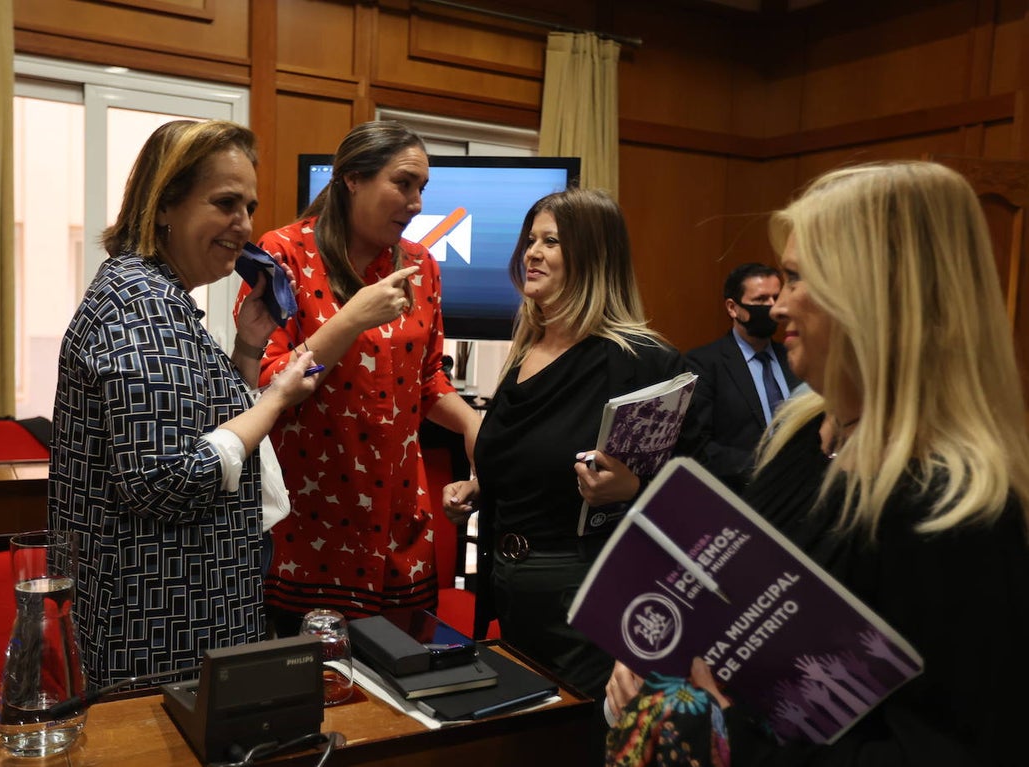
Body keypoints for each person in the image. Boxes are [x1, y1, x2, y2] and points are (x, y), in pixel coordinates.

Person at [604, 161, 1029, 767]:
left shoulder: (956, 509)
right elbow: (740, 604)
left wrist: (725, 736)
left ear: (879, 298)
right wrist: (658, 654)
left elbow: (950, 748)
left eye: (799, 279)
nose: (778, 306)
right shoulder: (803, 436)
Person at [49, 119, 320, 688]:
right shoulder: (140, 305)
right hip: (158, 628)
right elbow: (165, 479)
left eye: (249, 206)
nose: (244, 224)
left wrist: (248, 348)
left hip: (174, 612)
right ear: (165, 204)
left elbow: (206, 427)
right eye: (225, 203)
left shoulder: (158, 297)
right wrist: (277, 398)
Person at [442, 188, 708, 763]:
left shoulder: (643, 361)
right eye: (530, 240)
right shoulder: (526, 348)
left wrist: (633, 489)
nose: (531, 253)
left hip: (588, 602)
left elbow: (694, 500)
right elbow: (532, 454)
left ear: (592, 256)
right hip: (509, 594)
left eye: (551, 242)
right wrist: (482, 485)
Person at [239, 120, 482, 636]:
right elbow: (268, 382)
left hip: (399, 518)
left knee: (401, 673)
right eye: (403, 183)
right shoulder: (284, 253)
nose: (416, 203)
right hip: (311, 525)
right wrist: (351, 320)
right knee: (312, 677)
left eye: (422, 188)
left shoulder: (421, 264)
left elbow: (427, 380)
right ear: (352, 178)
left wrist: (471, 423)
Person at [686, 263, 801, 493]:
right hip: (742, 492)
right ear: (733, 308)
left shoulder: (795, 357)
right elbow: (699, 447)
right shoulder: (704, 364)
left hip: (799, 488)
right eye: (761, 299)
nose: (771, 307)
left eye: (776, 297)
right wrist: (765, 467)